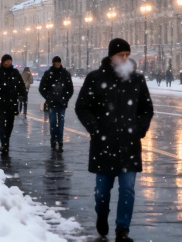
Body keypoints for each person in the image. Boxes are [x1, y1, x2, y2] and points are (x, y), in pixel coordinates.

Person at [75, 38, 153, 242]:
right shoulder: (95, 78)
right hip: (104, 144)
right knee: (102, 191)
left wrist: (139, 130)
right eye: (121, 55)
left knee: (127, 189)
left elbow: (146, 109)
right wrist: (95, 128)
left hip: (129, 144)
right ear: (111, 56)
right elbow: (82, 107)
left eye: (128, 55)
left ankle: (122, 229)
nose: (125, 58)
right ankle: (102, 215)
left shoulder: (137, 80)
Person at [0, 54, 27, 154]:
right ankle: (3, 142)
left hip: (12, 101)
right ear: (2, 62)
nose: (8, 62)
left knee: (10, 123)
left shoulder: (15, 72)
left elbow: (20, 85)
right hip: (0, 102)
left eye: (9, 61)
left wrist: (22, 95)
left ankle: (6, 139)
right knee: (1, 122)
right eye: (6, 61)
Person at [39, 56, 74, 150]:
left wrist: (65, 98)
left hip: (61, 102)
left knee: (60, 122)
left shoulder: (65, 74)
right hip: (53, 102)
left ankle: (60, 140)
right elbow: (42, 87)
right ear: (53, 63)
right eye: (56, 62)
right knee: (53, 122)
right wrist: (48, 97)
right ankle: (54, 140)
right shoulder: (49, 74)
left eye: (58, 62)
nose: (57, 64)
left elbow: (70, 88)